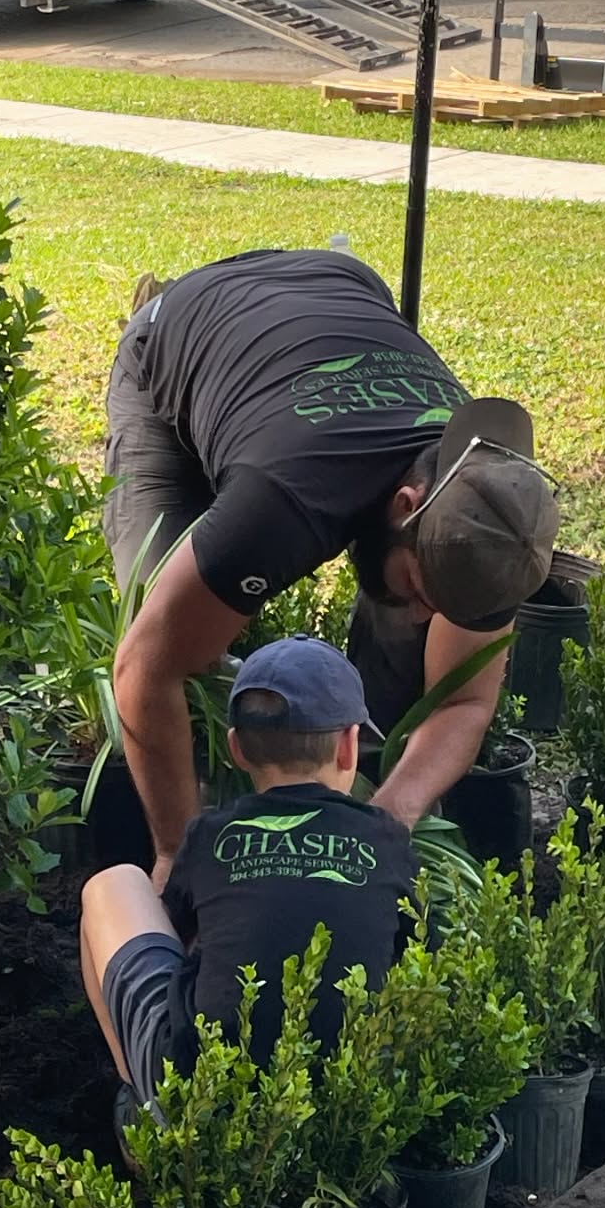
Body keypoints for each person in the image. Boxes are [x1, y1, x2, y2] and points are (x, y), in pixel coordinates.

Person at [106, 247, 561, 886]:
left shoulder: (494, 524)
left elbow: (461, 699)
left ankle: (341, 803)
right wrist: (178, 859)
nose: (432, 614)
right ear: (408, 506)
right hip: (175, 341)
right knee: (167, 622)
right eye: (423, 587)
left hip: (336, 295)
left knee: (404, 639)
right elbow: (144, 668)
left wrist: (388, 820)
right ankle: (209, 825)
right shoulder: (285, 501)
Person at [81, 634, 416, 1107]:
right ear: (348, 747)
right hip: (347, 1089)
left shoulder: (210, 833)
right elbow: (415, 953)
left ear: (235, 748)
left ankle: (146, 1101)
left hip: (207, 1088)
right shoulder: (387, 838)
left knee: (113, 883)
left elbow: (176, 937)